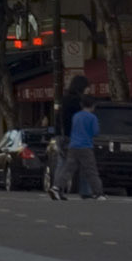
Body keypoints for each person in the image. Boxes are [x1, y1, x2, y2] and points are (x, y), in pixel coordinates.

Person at [49, 73, 88, 201]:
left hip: (60, 135)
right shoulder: (76, 101)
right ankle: (57, 187)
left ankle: (57, 189)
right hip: (70, 135)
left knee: (62, 162)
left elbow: (59, 118)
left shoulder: (64, 99)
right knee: (69, 164)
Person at [59, 95, 105, 201]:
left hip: (73, 145)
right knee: (91, 171)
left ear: (81, 105)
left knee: (68, 169)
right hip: (86, 146)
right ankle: (98, 192)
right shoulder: (92, 117)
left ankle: (57, 187)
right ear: (93, 105)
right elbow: (95, 132)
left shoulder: (76, 116)